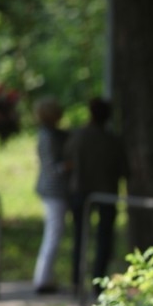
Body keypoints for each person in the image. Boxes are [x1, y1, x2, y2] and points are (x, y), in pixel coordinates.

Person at [63, 97, 128, 292]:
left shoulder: (78, 137)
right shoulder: (112, 140)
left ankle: (76, 280)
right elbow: (125, 169)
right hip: (106, 193)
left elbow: (67, 160)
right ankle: (97, 282)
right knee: (103, 238)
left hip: (80, 192)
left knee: (80, 236)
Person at [31, 98, 69, 293]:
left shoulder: (53, 134)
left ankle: (46, 277)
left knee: (54, 232)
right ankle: (43, 279)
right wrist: (68, 166)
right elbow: (52, 167)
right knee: (53, 233)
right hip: (54, 190)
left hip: (53, 189)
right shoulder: (48, 137)